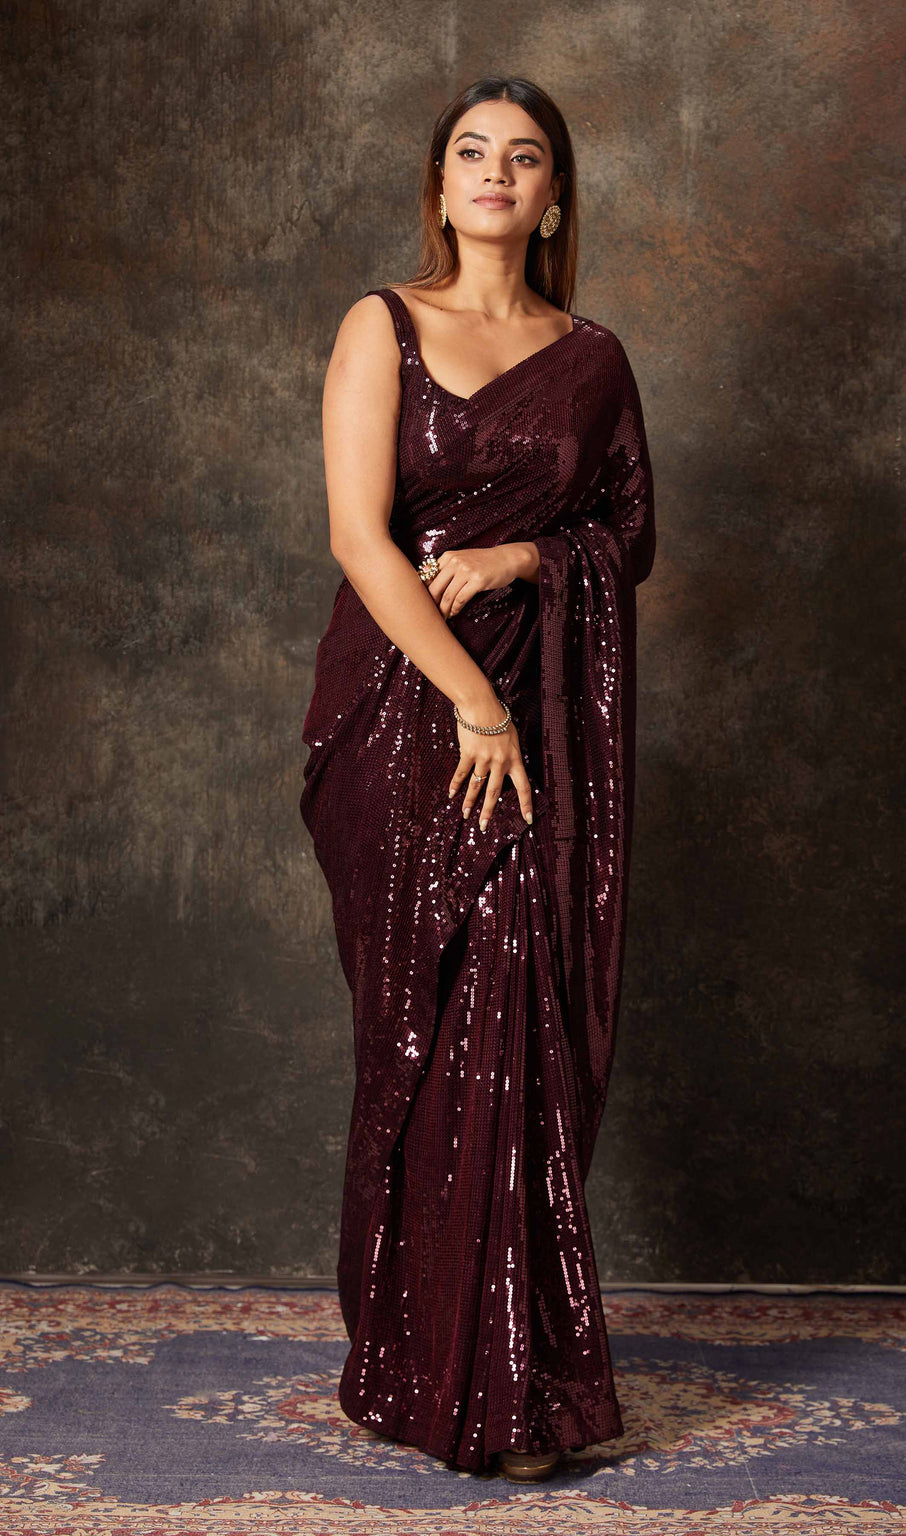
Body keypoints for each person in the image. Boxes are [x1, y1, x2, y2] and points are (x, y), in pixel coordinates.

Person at [299, 74, 656, 1482]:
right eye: (471, 152)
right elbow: (360, 535)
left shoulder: (594, 358)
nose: (496, 172)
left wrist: (527, 558)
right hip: (406, 714)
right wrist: (472, 702)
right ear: (441, 186)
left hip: (545, 715)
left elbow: (625, 537)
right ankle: (419, 1363)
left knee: (517, 1023)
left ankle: (506, 1387)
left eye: (524, 157)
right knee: (426, 1027)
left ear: (554, 196)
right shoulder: (382, 326)